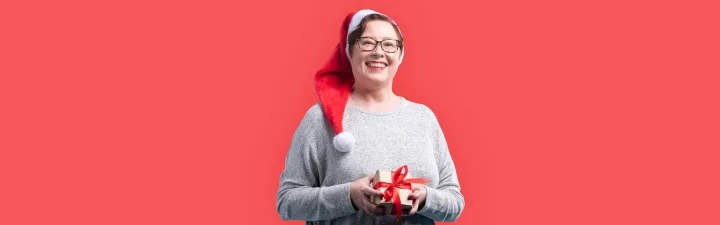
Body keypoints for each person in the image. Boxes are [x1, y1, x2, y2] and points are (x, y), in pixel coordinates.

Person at [276, 9, 464, 225]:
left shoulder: (424, 118)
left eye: (389, 44)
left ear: (400, 54)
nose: (378, 52)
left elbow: (455, 203)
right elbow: (287, 202)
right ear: (350, 51)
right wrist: (349, 195)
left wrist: (425, 198)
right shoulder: (319, 119)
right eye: (367, 43)